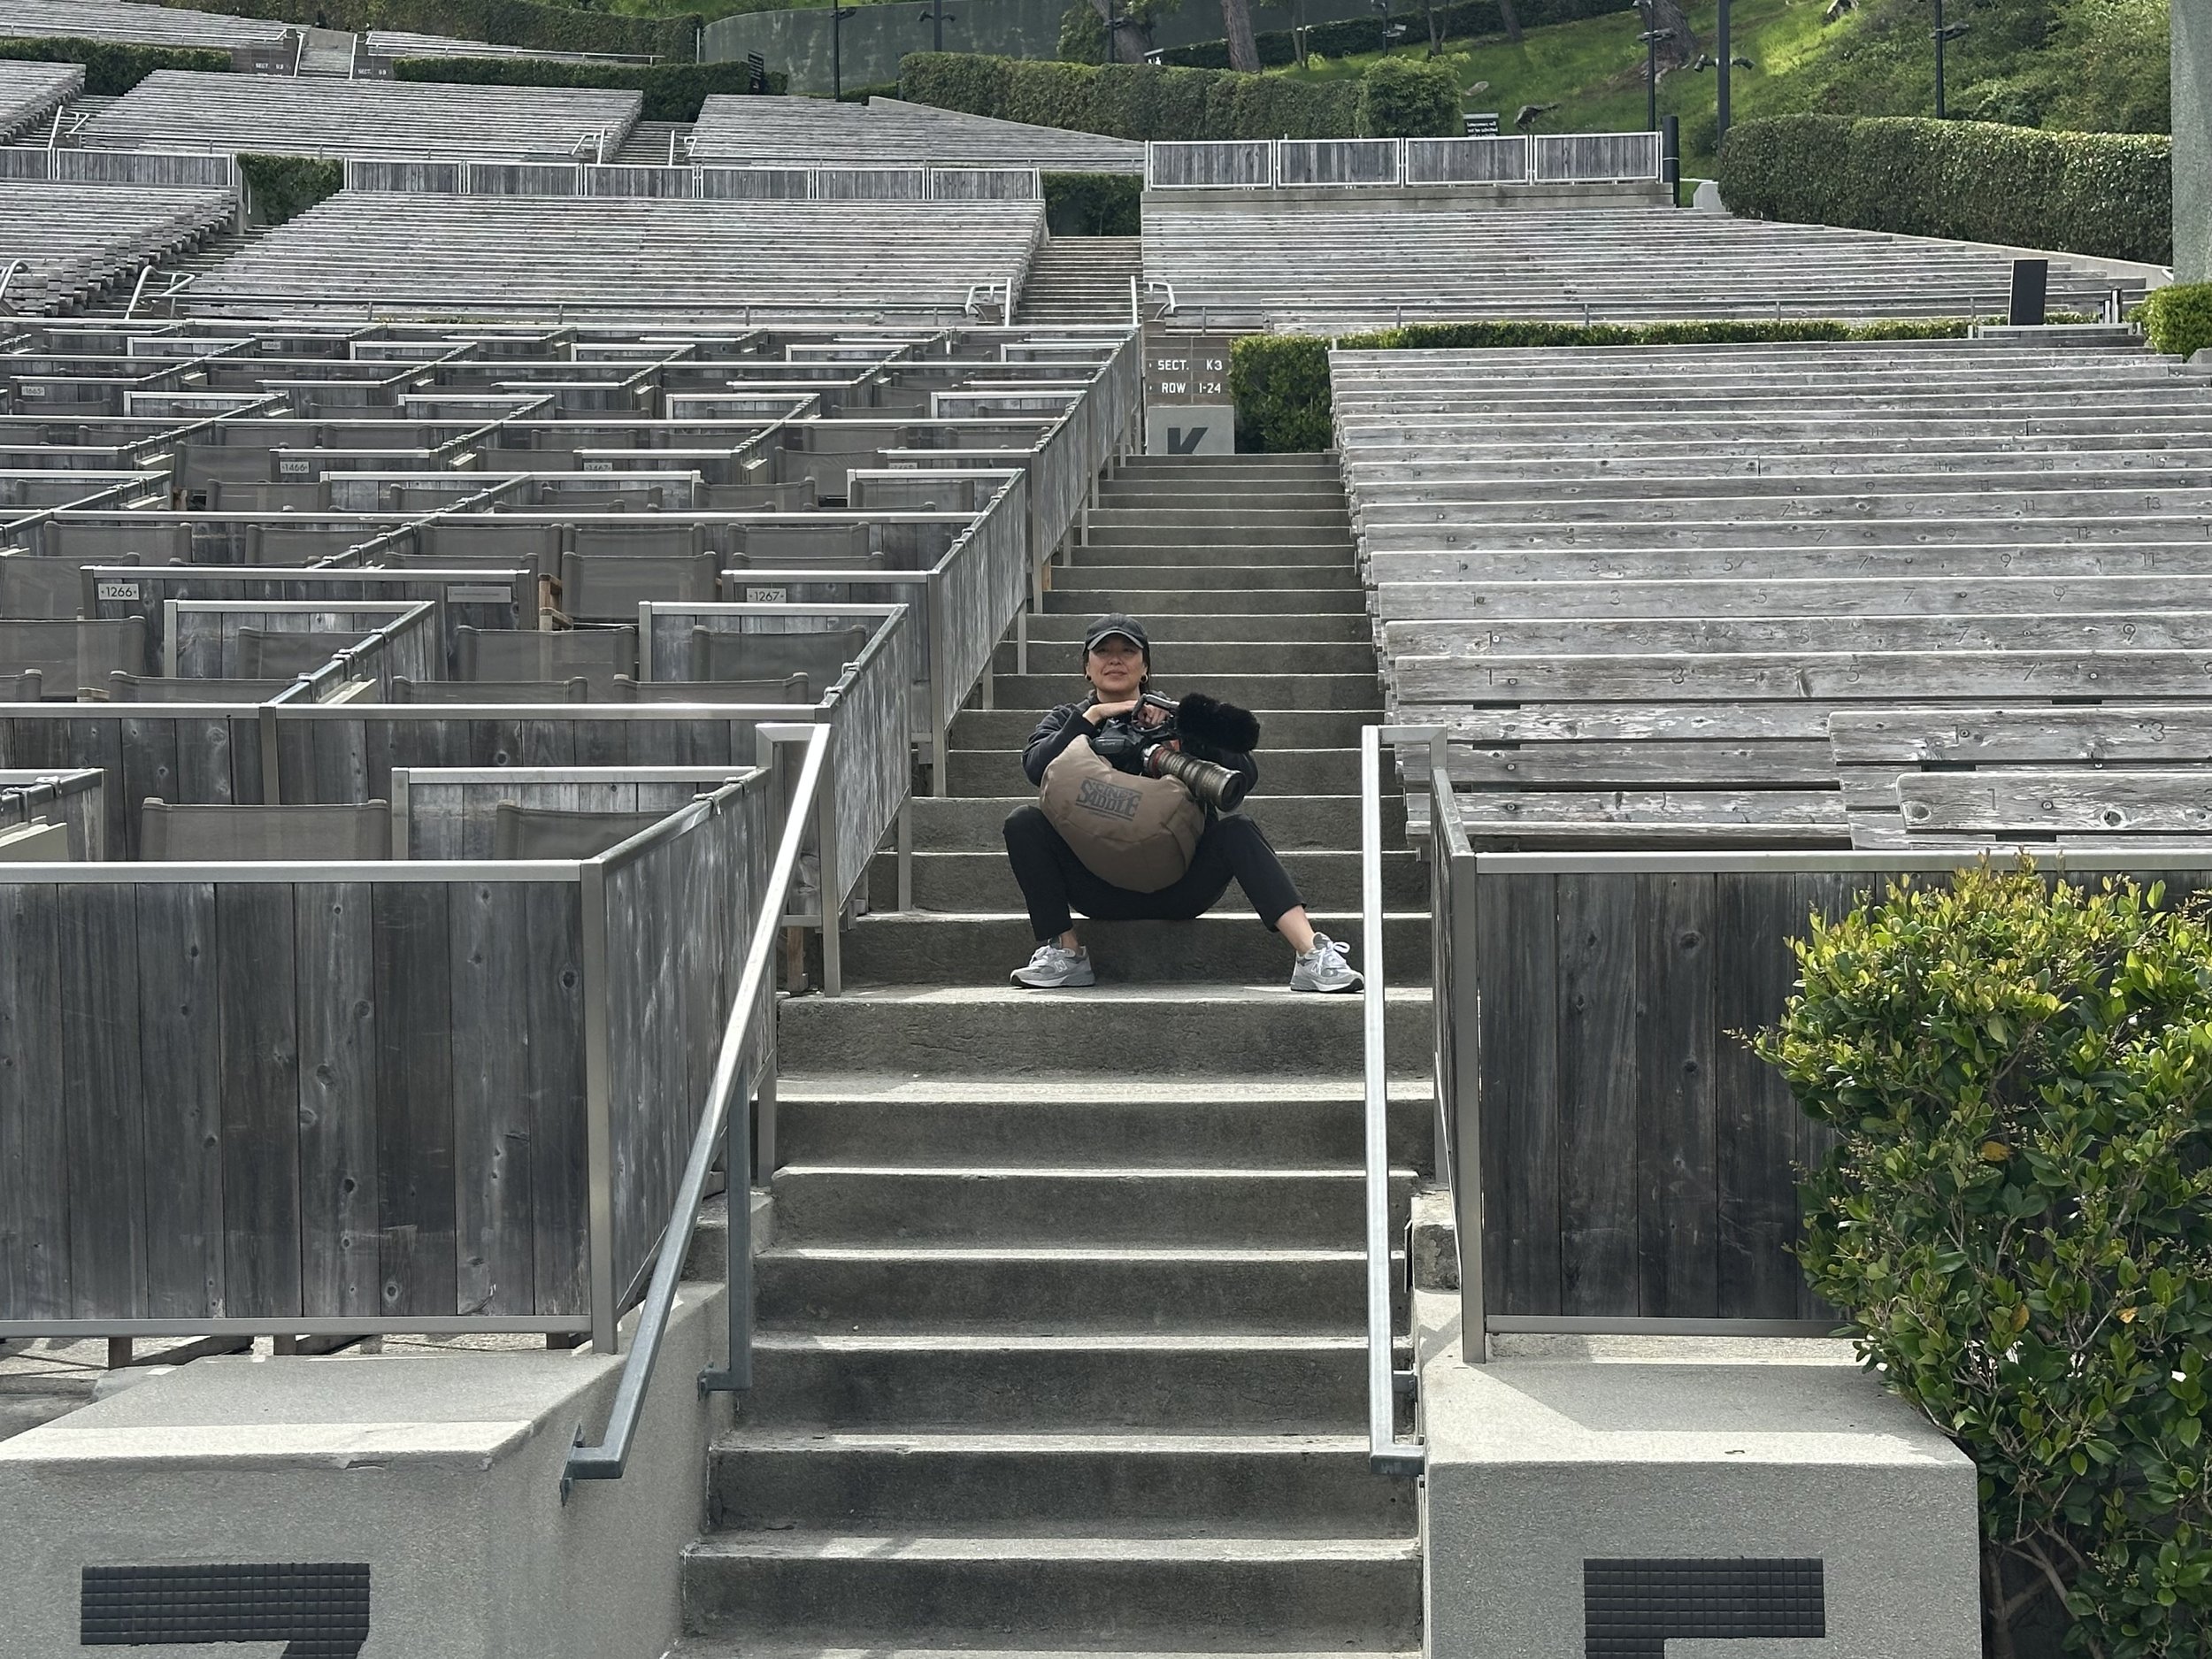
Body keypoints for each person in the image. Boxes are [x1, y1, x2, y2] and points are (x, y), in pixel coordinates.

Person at [1001, 613, 1361, 993]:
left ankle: (1311, 953)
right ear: (1086, 667)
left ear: (1145, 666)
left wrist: (1181, 731)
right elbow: (1037, 768)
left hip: (1181, 885)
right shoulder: (1067, 719)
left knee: (1238, 829)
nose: (1115, 659)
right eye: (1103, 651)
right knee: (1023, 821)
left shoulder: (1173, 717)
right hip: (1098, 887)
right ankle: (1064, 952)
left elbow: (1245, 776)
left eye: (1127, 651)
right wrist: (1091, 718)